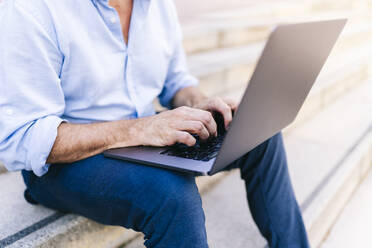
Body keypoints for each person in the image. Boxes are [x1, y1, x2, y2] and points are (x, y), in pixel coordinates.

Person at [0, 0, 310, 247]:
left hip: (143, 137)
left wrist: (197, 103)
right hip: (63, 163)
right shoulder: (32, 8)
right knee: (172, 196)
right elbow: (24, 137)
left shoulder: (157, 5)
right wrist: (139, 129)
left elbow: (176, 82)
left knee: (258, 135)